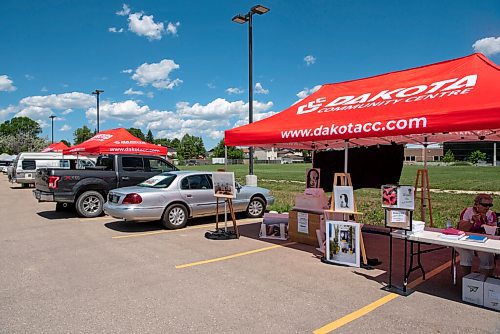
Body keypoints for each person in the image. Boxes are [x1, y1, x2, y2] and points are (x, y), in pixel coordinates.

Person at [455, 193, 497, 277]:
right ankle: (467, 278)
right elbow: (461, 228)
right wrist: (471, 221)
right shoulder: (467, 211)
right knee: (466, 253)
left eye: (489, 205)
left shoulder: (491, 214)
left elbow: (494, 231)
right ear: (476, 204)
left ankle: (483, 280)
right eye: (484, 205)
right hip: (466, 239)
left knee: (487, 255)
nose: (487, 208)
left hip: (483, 241)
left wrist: (486, 223)